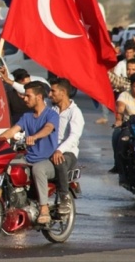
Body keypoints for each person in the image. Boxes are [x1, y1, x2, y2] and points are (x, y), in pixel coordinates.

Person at [0, 81, 59, 224]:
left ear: (39, 97)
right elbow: (12, 131)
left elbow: (48, 128)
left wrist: (35, 136)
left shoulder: (51, 114)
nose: (24, 98)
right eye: (24, 95)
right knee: (7, 165)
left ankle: (44, 209)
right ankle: (7, 204)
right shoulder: (27, 116)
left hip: (47, 160)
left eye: (28, 96)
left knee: (38, 169)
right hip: (28, 158)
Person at [48, 78, 83, 215]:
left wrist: (59, 150)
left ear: (63, 92)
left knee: (59, 162)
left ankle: (64, 198)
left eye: (53, 91)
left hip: (67, 152)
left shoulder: (75, 112)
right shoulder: (51, 109)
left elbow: (74, 136)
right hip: (49, 149)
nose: (50, 94)